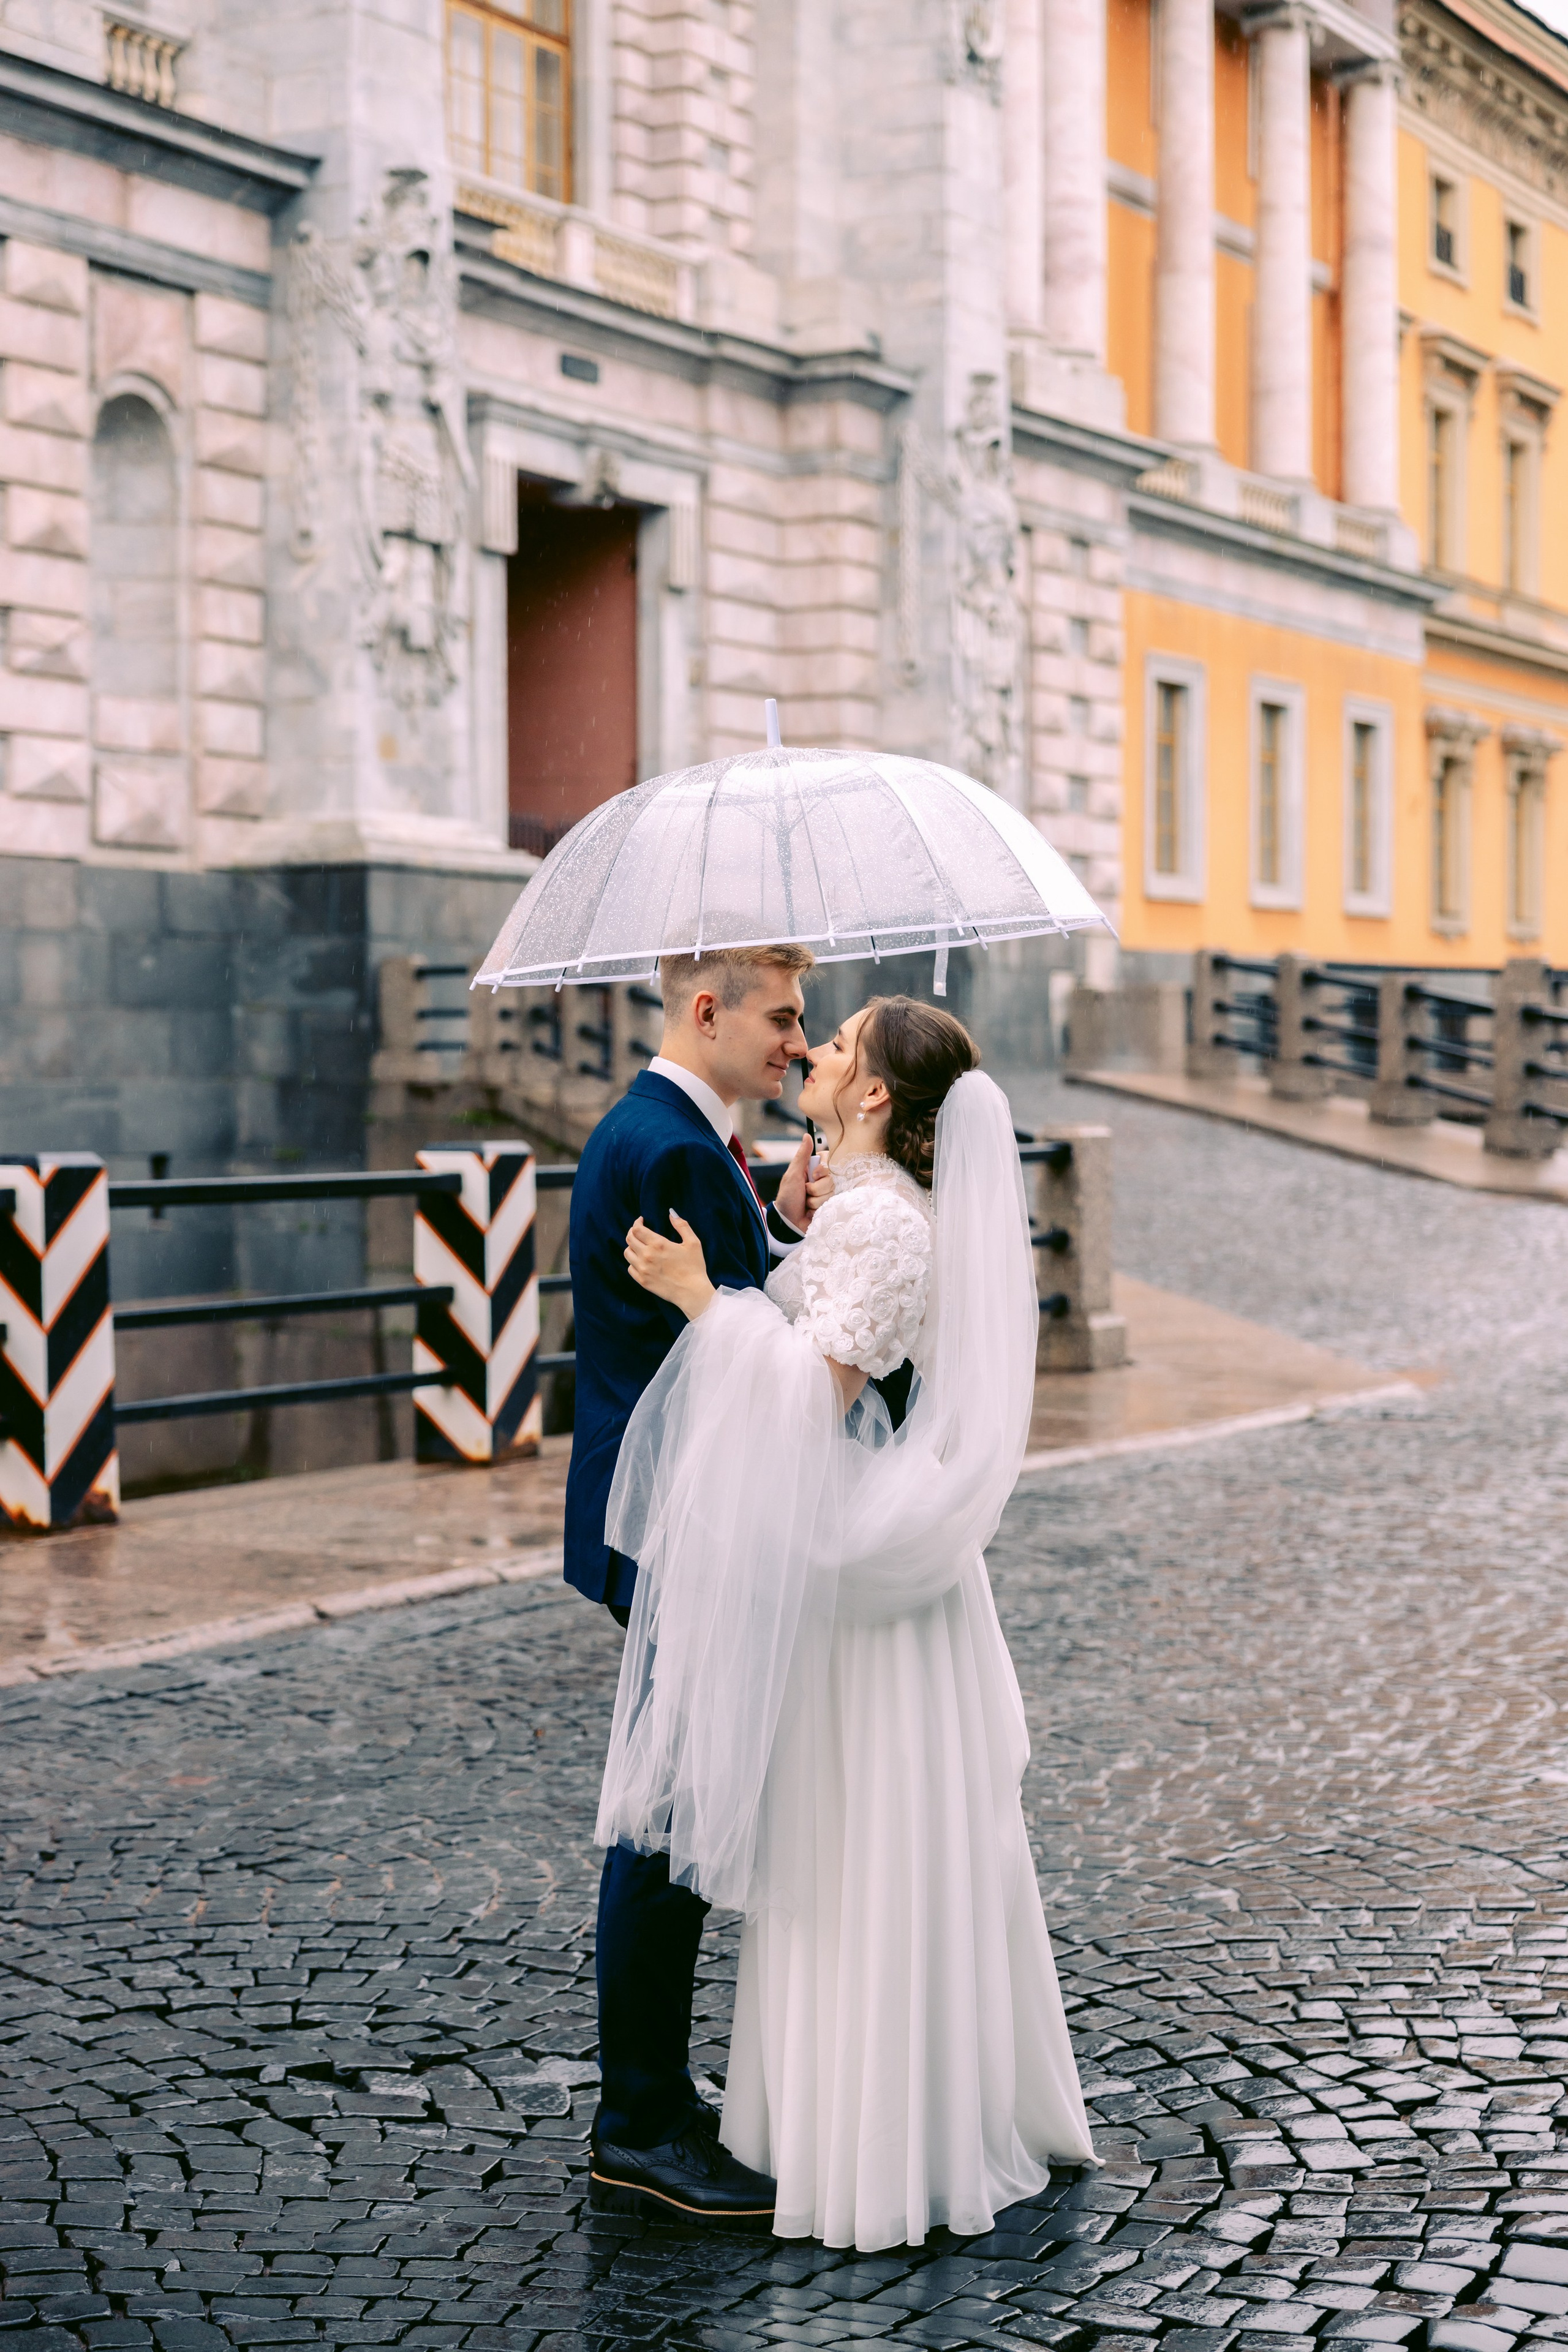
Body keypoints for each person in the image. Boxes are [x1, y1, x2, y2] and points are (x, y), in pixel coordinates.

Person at [598, 995, 1098, 2253]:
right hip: (879, 1559)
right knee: (878, 1833)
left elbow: (807, 1396)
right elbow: (829, 1313)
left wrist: (705, 1301)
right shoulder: (864, 1206)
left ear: (871, 1096)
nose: (813, 1049)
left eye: (838, 1044)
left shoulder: (880, 1220)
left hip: (857, 1570)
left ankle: (865, 2134)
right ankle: (881, 2109)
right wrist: (788, 1226)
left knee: (856, 1835)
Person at [567, 940, 831, 2229]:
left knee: (666, 1803)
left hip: (668, 1503)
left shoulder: (674, 1129)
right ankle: (640, 2121)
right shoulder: (671, 1145)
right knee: (663, 1816)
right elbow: (737, 1352)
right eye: (782, 1017)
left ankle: (651, 2097)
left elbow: (718, 1297)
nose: (797, 1040)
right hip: (679, 1512)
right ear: (707, 1009)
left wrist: (772, 1219)